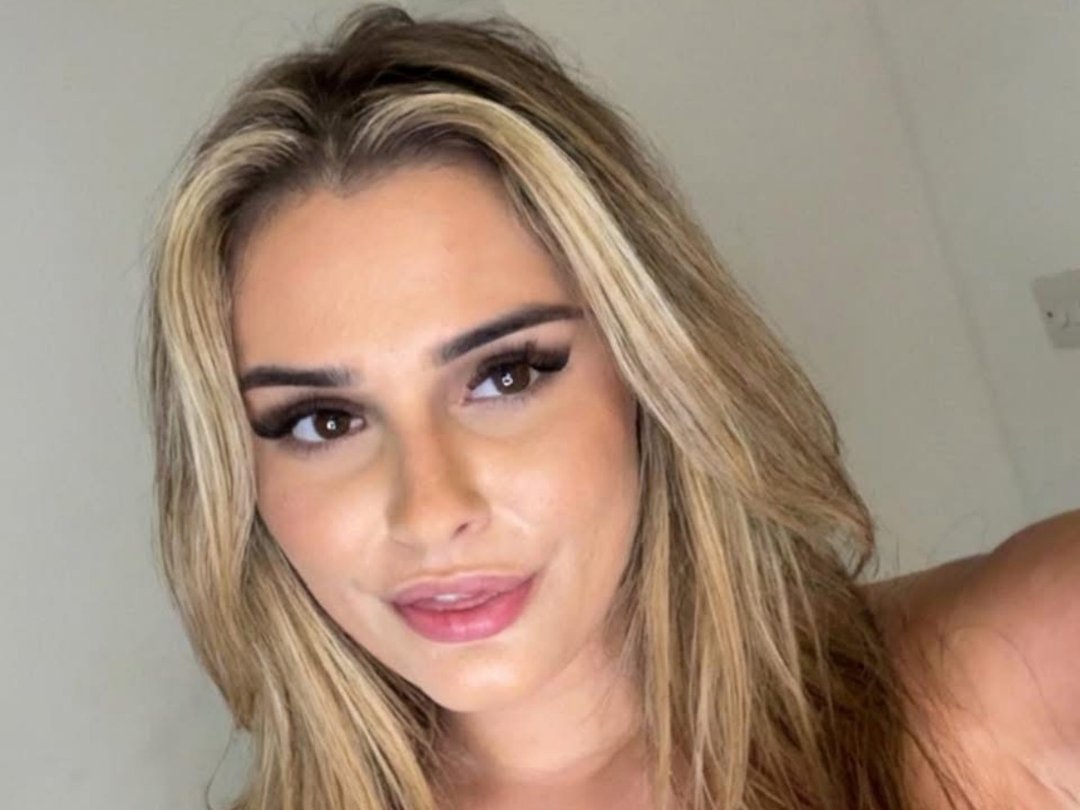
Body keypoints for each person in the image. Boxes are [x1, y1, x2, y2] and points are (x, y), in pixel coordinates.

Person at [144, 5, 1080, 809]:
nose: (430, 511)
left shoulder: (1009, 675)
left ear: (649, 370)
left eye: (506, 375)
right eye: (323, 422)